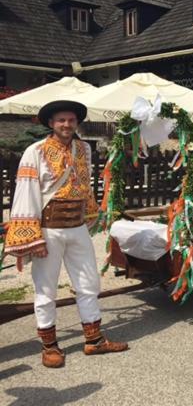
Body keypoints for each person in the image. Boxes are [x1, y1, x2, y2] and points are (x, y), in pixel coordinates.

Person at [3, 100, 128, 368]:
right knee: (46, 289)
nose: (66, 125)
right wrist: (31, 236)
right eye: (61, 120)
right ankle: (49, 345)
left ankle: (94, 340)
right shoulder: (34, 151)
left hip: (77, 227)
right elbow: (26, 192)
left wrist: (92, 213)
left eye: (71, 120)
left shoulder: (84, 149)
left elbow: (85, 185)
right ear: (51, 123)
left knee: (88, 283)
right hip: (48, 230)